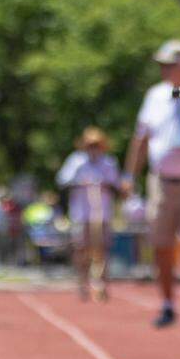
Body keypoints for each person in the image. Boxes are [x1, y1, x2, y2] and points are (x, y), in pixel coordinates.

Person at [123, 40, 180, 328]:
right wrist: (129, 176)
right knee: (161, 244)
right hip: (160, 181)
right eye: (161, 65)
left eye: (169, 64)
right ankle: (167, 304)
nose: (164, 70)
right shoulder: (154, 96)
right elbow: (141, 138)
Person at [56, 127, 123, 301]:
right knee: (81, 249)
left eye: (96, 145)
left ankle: (102, 284)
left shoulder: (109, 162)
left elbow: (117, 185)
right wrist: (80, 183)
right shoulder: (76, 161)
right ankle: (82, 283)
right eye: (90, 145)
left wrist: (104, 184)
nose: (93, 148)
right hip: (81, 213)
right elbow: (62, 180)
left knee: (102, 249)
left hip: (102, 214)